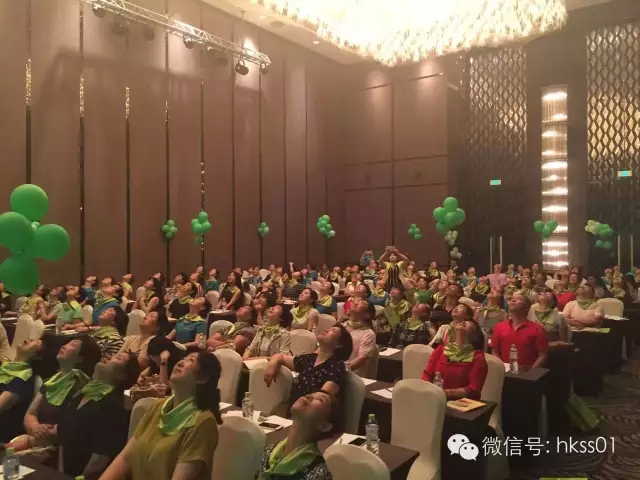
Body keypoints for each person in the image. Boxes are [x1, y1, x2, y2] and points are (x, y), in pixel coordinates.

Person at [99, 352, 222, 480]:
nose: (180, 362)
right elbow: (125, 458)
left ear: (203, 378)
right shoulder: (157, 406)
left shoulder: (204, 422)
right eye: (183, 358)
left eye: (190, 360)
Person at [57, 352, 140, 478]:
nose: (108, 356)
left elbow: (102, 455)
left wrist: (82, 477)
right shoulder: (80, 394)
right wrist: (59, 474)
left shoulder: (115, 407)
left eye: (118, 358)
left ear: (122, 375)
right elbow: (63, 437)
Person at [12, 337, 102, 452]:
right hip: (35, 441)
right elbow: (30, 414)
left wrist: (32, 440)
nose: (64, 346)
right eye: (66, 343)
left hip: (58, 449)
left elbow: (70, 429)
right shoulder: (52, 380)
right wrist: (35, 427)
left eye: (73, 345)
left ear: (80, 358)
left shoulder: (82, 386)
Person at [254, 391, 339, 480]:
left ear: (324, 426)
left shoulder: (319, 474)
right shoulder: (268, 452)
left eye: (321, 400)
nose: (308, 396)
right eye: (311, 394)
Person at [265, 324, 353, 404]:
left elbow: (319, 401)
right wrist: (273, 363)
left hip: (311, 414)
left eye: (333, 330)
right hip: (295, 410)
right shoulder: (310, 359)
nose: (326, 330)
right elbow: (280, 357)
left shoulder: (336, 367)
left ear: (338, 344)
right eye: (329, 328)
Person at [422, 318, 488, 399]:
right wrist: (428, 393)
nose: (463, 321)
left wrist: (444, 393)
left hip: (463, 403)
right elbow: (426, 375)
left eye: (469, 323)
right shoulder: (440, 350)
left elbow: (473, 389)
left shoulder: (477, 357)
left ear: (475, 334)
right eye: (463, 320)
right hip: (435, 399)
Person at [0, 340, 45, 442]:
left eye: (35, 342)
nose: (27, 340)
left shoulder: (23, 379)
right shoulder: (5, 367)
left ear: (36, 355)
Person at [492, 294, 548, 368]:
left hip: (527, 371)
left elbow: (542, 355)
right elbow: (495, 351)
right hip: (504, 370)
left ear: (527, 308)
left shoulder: (538, 329)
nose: (513, 300)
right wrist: (502, 368)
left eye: (519, 299)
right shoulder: (499, 327)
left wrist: (531, 372)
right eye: (512, 299)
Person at [343, 298, 377, 378]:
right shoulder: (342, 326)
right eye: (356, 301)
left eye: (362, 303)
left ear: (367, 315)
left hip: (352, 376)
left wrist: (340, 371)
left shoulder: (368, 333)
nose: (356, 302)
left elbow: (360, 359)